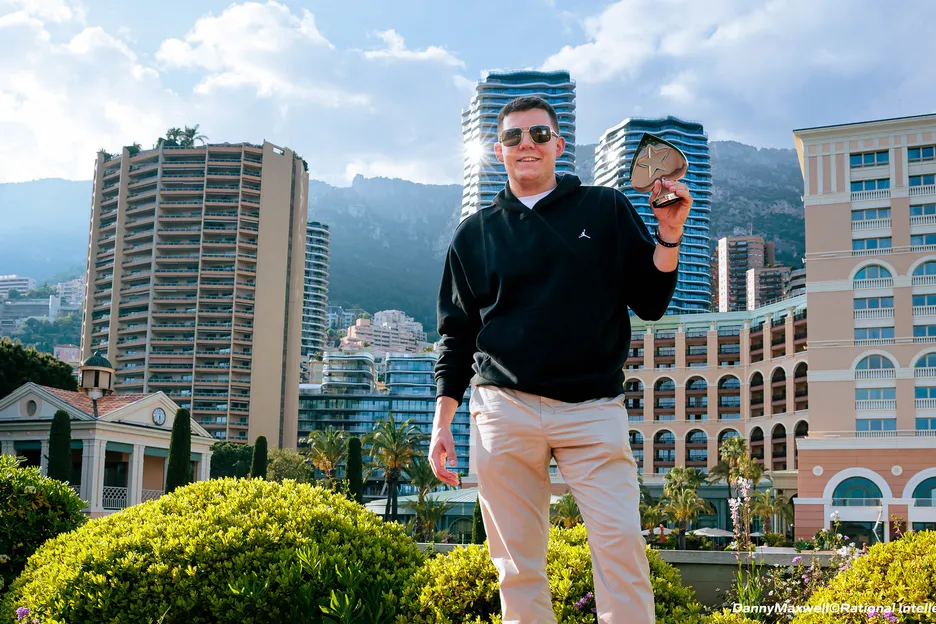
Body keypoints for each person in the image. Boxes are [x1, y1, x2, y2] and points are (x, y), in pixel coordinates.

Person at [428, 95, 692, 624]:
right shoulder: (474, 234)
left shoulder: (604, 208)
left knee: (621, 548)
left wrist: (668, 233)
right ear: (498, 152)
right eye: (513, 137)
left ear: (559, 145)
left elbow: (651, 301)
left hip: (593, 410)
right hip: (503, 409)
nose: (526, 144)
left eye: (539, 135)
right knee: (517, 567)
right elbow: (456, 337)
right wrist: (441, 425)